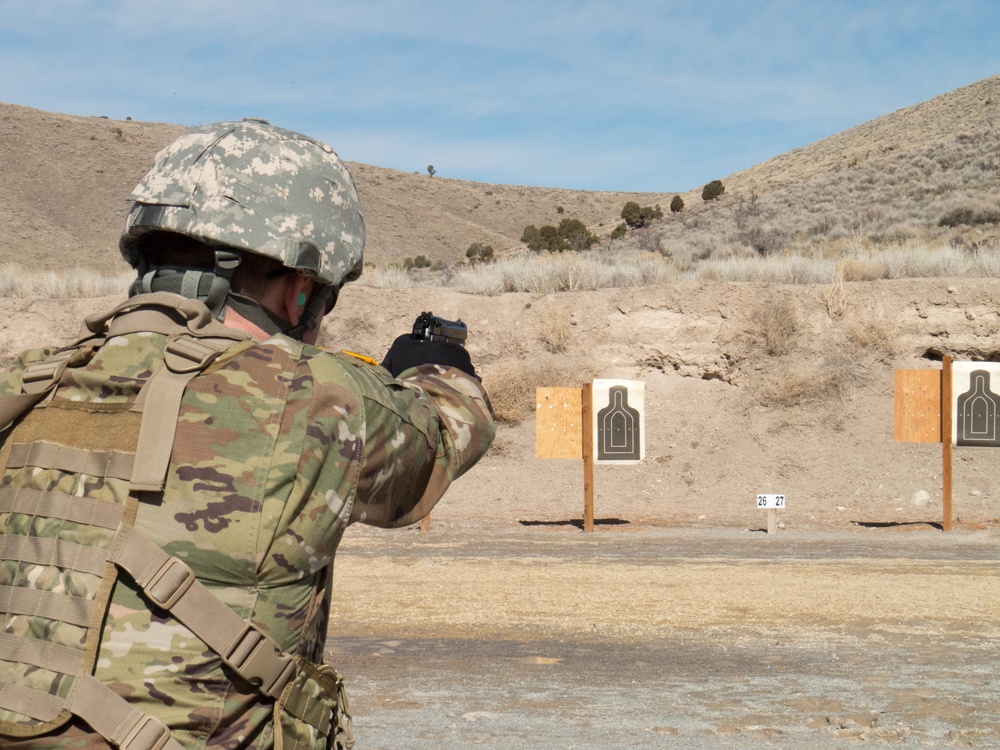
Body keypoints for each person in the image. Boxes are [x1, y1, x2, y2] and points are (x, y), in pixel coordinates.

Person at [0, 118, 495, 749]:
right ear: (300, 293)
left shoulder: (26, 382)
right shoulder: (315, 395)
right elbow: (450, 431)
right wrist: (436, 365)